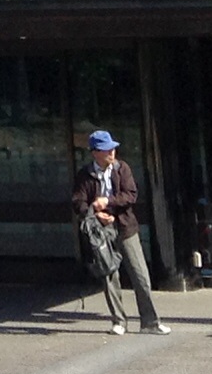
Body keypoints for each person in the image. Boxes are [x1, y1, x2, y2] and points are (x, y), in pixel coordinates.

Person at [71, 129, 167, 335]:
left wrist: (108, 201)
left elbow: (131, 195)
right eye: (106, 150)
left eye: (113, 149)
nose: (111, 154)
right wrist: (95, 214)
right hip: (102, 232)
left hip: (125, 228)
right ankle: (118, 321)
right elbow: (78, 201)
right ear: (95, 152)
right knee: (109, 276)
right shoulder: (85, 175)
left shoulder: (122, 168)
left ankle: (150, 321)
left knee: (140, 275)